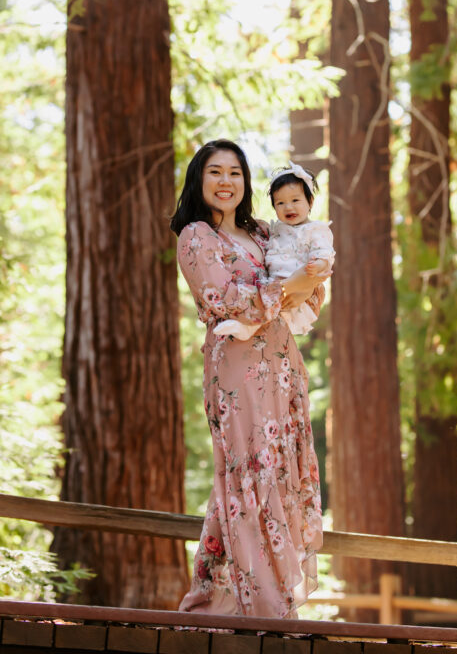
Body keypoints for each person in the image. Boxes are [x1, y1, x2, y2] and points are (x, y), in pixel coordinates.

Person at [170, 139, 325, 619]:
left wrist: (290, 288)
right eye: (214, 172)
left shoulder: (262, 232)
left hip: (282, 365)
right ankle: (266, 607)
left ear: (246, 181)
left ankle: (216, 605)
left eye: (234, 173)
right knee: (247, 474)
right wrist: (285, 289)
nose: (225, 182)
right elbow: (227, 301)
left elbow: (311, 288)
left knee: (274, 473)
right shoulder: (195, 236)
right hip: (236, 371)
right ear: (199, 180)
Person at [214, 162, 335, 340]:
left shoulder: (315, 229)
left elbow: (324, 253)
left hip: (300, 284)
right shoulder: (275, 229)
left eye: (295, 200)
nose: (288, 207)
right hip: (276, 284)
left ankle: (247, 329)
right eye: (280, 203)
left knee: (279, 308)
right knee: (269, 306)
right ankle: (246, 328)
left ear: (310, 202)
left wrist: (317, 266)